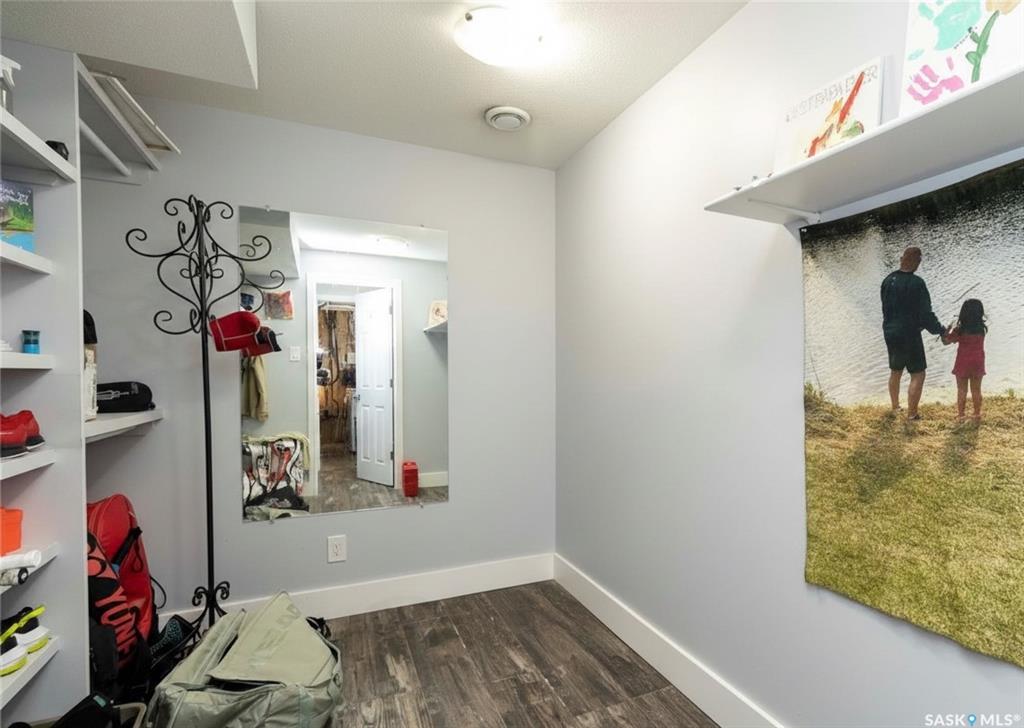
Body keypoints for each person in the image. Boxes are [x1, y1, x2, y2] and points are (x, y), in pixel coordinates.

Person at [880, 246, 946, 420]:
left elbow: (887, 309)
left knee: (895, 370)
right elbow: (926, 314)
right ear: (917, 262)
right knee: (918, 373)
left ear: (901, 259)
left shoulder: (887, 280)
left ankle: (895, 407)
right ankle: (912, 414)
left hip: (890, 332)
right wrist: (940, 330)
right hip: (909, 334)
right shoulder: (917, 283)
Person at [942, 298, 987, 422]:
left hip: (963, 363)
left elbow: (946, 341)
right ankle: (977, 414)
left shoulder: (960, 330)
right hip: (978, 362)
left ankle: (961, 415)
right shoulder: (981, 329)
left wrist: (947, 330)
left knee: (962, 390)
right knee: (976, 390)